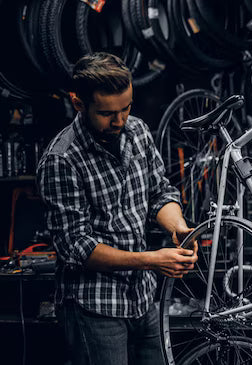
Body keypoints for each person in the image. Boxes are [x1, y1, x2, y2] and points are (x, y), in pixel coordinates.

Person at [38, 52, 197, 365]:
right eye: (107, 113)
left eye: (126, 108)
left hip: (142, 300)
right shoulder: (61, 160)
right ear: (78, 103)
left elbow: (159, 193)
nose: (120, 120)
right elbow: (77, 247)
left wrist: (176, 227)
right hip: (94, 307)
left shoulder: (137, 132)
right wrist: (151, 260)